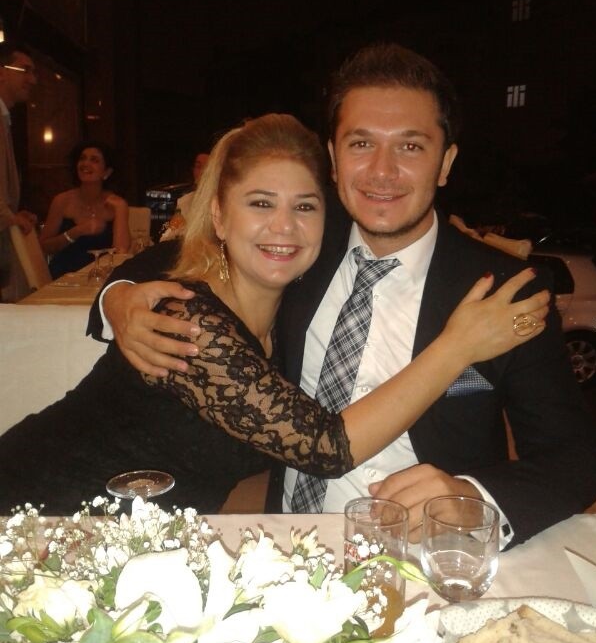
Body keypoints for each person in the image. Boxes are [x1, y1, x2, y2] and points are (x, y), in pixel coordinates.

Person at [94, 45, 596, 549]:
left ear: (445, 163)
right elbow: (189, 249)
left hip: (422, 552)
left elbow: (575, 459)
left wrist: (470, 498)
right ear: (334, 158)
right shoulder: (301, 243)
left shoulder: (503, 290)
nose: (382, 171)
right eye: (361, 144)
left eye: (410, 146)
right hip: (285, 546)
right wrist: (119, 298)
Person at [0, 113, 546, 514]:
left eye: (304, 206)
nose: (284, 227)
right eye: (260, 203)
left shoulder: (291, 302)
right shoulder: (189, 321)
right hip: (39, 513)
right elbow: (326, 448)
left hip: (138, 544)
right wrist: (457, 346)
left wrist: (117, 292)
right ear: (218, 215)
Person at [40, 140, 130, 278]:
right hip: (64, 277)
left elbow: (121, 252)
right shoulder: (62, 201)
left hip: (101, 276)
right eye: (82, 158)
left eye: (94, 160)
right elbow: (44, 247)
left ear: (107, 172)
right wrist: (76, 232)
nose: (85, 164)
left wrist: (120, 209)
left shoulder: (116, 204)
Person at [0, 41, 38, 301]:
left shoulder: (5, 119)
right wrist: (8, 217)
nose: (32, 80)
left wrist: (12, 214)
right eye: (25, 70)